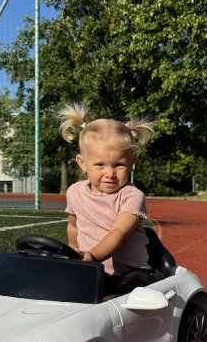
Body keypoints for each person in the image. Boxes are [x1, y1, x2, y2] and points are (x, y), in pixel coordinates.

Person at [59, 102, 157, 297]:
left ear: (131, 162)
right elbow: (73, 226)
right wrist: (73, 251)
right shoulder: (74, 192)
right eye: (100, 165)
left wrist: (93, 256)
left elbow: (118, 233)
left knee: (130, 291)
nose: (110, 173)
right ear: (82, 163)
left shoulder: (132, 196)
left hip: (130, 273)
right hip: (92, 268)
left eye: (119, 165)